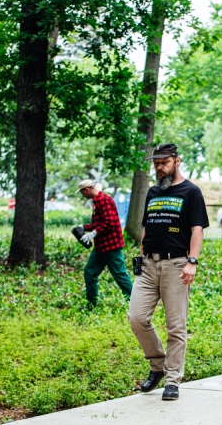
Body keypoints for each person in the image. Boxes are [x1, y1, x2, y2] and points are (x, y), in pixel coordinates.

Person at [128, 143, 210, 401]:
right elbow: (146, 226)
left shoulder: (191, 191)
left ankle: (172, 379)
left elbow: (198, 229)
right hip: (149, 265)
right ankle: (157, 364)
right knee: (137, 318)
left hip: (176, 265)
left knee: (176, 327)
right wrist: (141, 254)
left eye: (164, 162)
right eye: (156, 163)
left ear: (177, 160)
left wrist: (192, 261)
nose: (159, 167)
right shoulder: (153, 192)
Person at [76, 179, 133, 308]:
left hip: (111, 246)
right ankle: (92, 304)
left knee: (120, 274)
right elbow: (99, 224)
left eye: (82, 192)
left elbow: (110, 222)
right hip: (101, 247)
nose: (82, 195)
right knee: (90, 271)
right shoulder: (97, 202)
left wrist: (94, 233)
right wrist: (84, 227)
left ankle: (136, 303)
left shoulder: (104, 200)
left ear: (87, 190)